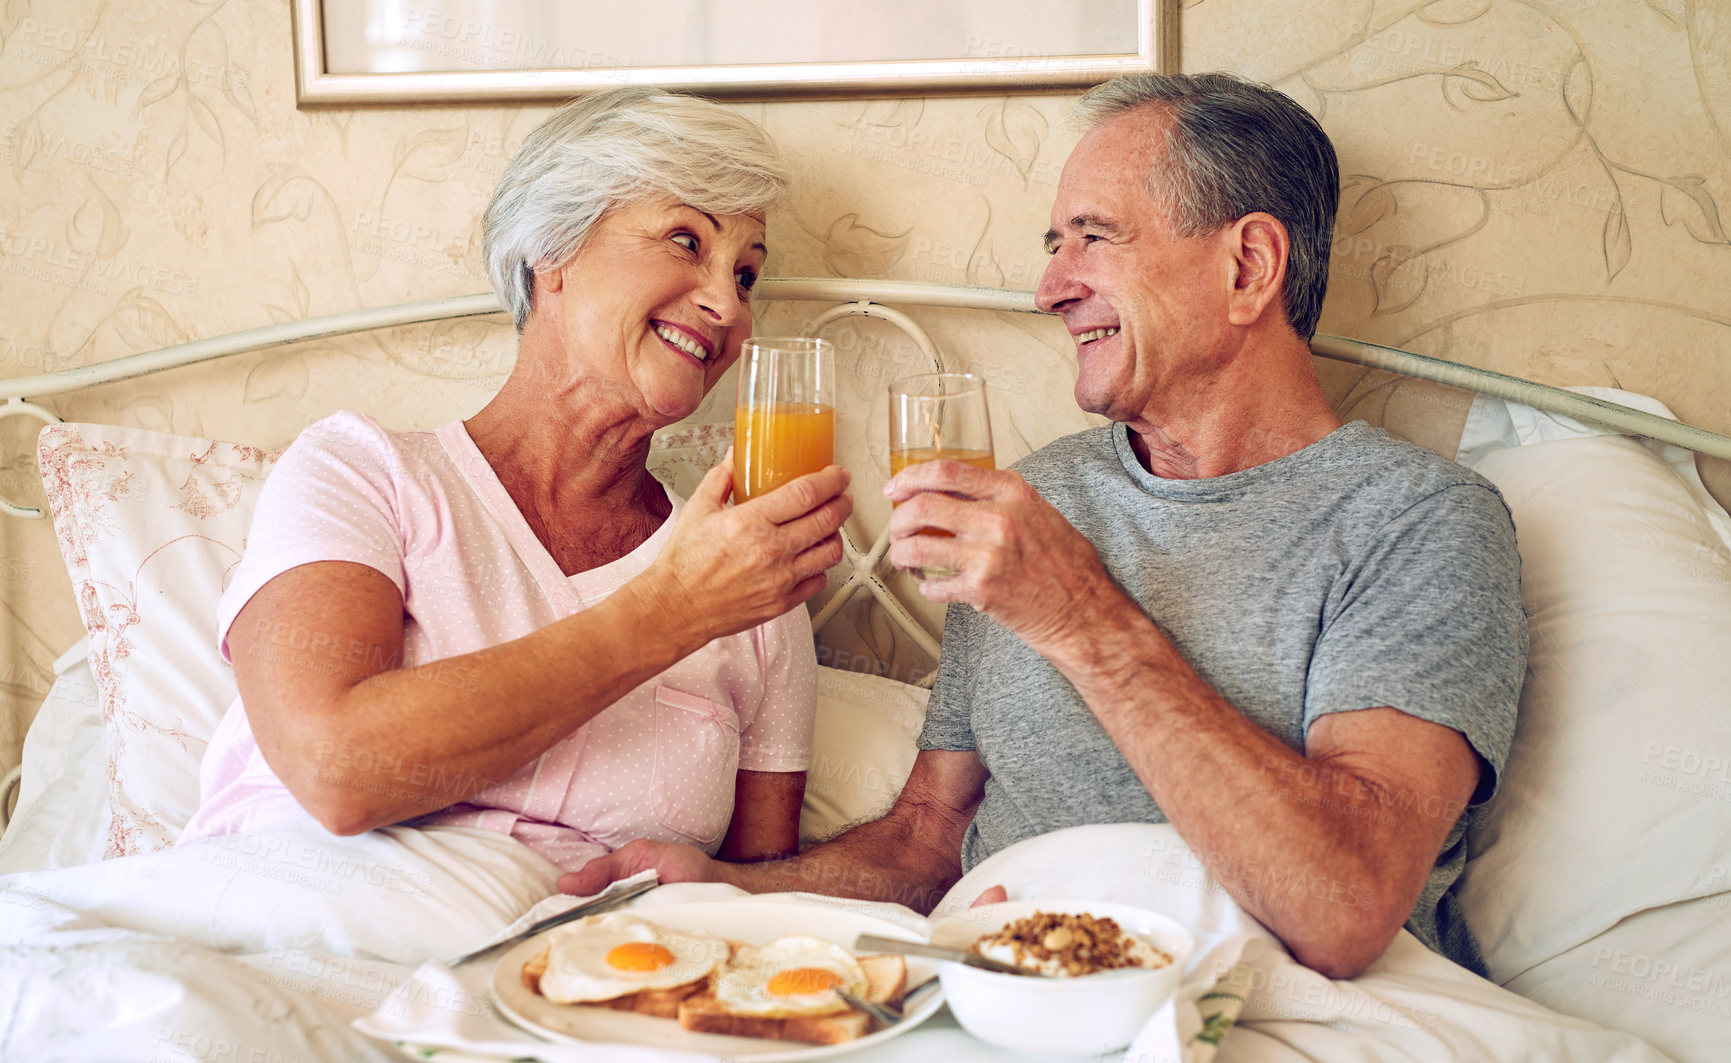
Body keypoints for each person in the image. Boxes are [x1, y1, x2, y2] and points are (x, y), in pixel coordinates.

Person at [560, 72, 1528, 982]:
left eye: (1093, 239)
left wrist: (1080, 617)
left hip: (1284, 1024)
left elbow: (1348, 904)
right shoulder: (1031, 502)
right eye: (1052, 243)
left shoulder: (1419, 524)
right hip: (1005, 991)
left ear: (1248, 267)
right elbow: (928, 840)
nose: (1049, 287)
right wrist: (728, 895)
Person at [177, 87, 853, 873]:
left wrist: (711, 891)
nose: (724, 304)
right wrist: (673, 609)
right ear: (553, 251)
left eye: (746, 276)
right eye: (683, 240)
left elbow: (765, 902)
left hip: (552, 981)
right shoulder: (360, 472)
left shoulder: (752, 579)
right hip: (280, 926)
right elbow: (337, 773)